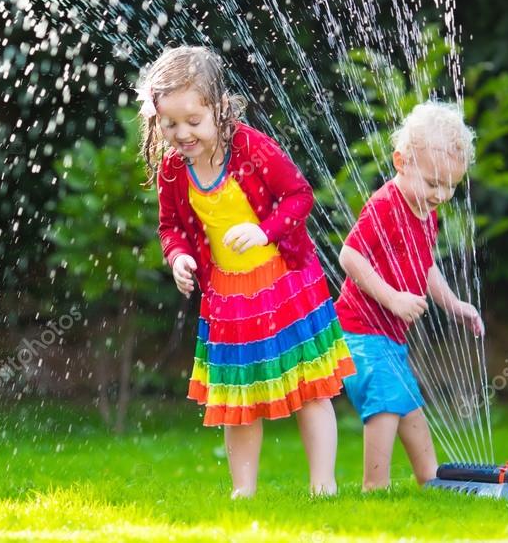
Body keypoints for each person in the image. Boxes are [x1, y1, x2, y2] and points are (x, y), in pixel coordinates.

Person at [138, 45, 355, 498]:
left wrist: (265, 232)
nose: (182, 134)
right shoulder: (174, 171)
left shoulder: (252, 148)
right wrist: (179, 258)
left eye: (193, 122)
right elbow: (170, 227)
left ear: (219, 108)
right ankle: (243, 491)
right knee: (238, 399)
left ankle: (323, 484)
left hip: (286, 281)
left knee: (310, 385)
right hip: (230, 297)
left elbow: (299, 196)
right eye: (169, 124)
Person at [335, 100, 484, 491]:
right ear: (401, 162)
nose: (441, 194)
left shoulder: (427, 213)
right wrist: (393, 299)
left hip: (390, 338)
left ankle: (431, 480)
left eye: (451, 186)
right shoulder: (386, 205)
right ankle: (375, 488)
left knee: (412, 412)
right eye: (433, 182)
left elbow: (425, 265)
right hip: (360, 332)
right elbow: (349, 255)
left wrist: (453, 304)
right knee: (385, 405)